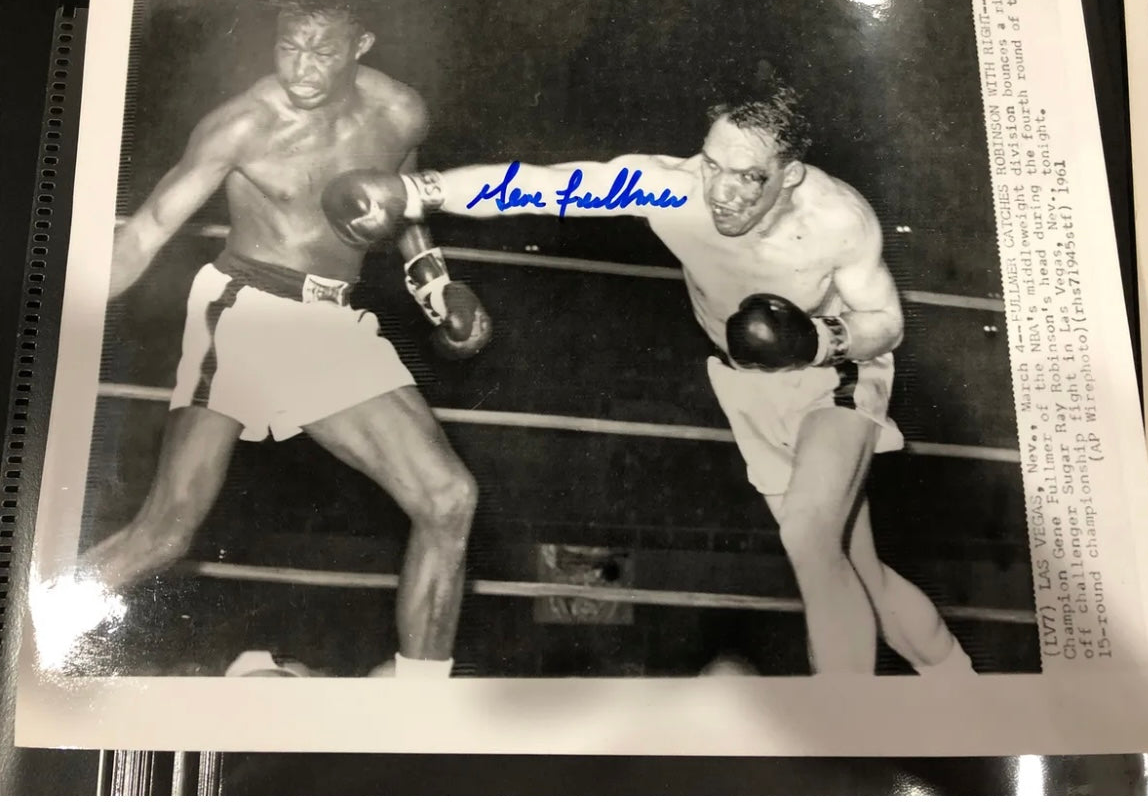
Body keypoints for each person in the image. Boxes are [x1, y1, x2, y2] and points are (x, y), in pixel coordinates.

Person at [329, 80, 975, 676]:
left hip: (837, 370)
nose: (721, 191)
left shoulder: (834, 217)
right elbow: (544, 184)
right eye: (712, 164)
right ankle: (960, 682)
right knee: (851, 567)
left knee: (807, 532)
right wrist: (415, 193)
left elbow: (884, 321)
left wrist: (818, 337)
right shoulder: (671, 187)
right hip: (748, 384)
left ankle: (849, 736)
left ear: (789, 175)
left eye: (747, 177)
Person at [70, 0, 492, 678]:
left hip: (329, 322)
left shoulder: (400, 115)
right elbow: (144, 233)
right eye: (288, 46)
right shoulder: (243, 124)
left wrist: (435, 286)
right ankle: (30, 633)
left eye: (321, 50)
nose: (300, 67)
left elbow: (402, 209)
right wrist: (60, 321)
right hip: (245, 309)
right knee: (167, 530)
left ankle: (419, 712)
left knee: (448, 498)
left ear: (361, 44)